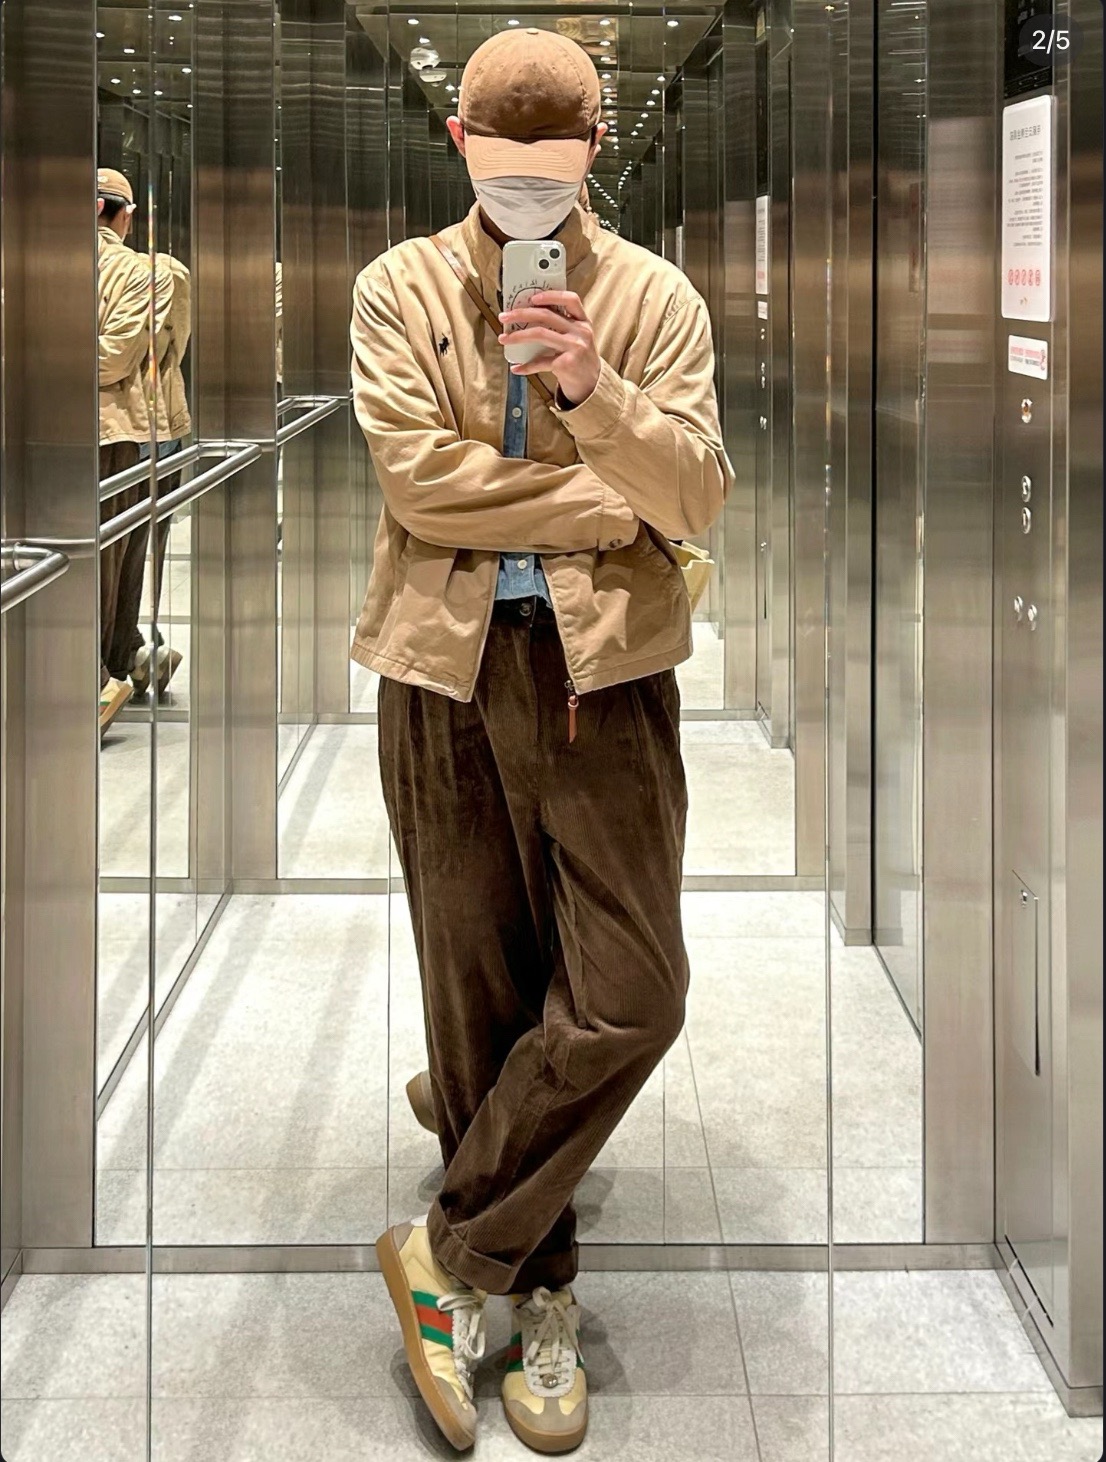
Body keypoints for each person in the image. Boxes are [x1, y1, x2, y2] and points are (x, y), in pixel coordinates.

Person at [350, 27, 730, 1455]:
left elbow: (694, 493)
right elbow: (420, 486)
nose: (525, 186)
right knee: (477, 982)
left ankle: (448, 1246)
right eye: (501, 160)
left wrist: (589, 394)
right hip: (441, 670)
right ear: (458, 145)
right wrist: (597, 501)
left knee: (633, 990)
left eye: (552, 160)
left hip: (603, 672)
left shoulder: (654, 298)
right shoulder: (398, 287)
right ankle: (537, 1289)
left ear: (593, 151)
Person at [96, 167, 173, 726]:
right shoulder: (148, 272)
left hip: (37, 427)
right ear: (125, 215)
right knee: (115, 555)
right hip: (117, 429)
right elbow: (120, 356)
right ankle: (106, 673)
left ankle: (117, 662)